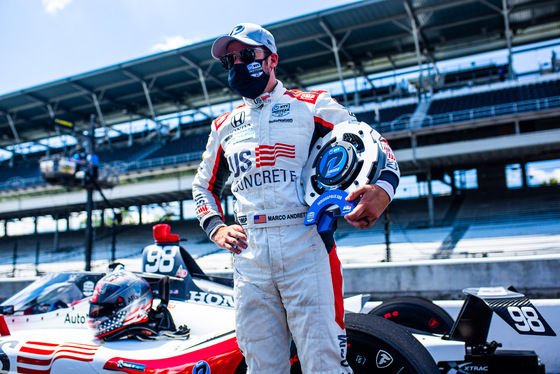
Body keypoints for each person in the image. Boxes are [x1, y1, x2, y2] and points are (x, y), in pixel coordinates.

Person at [192, 23, 400, 373]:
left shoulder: (311, 105)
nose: (238, 64)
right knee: (262, 366)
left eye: (246, 55)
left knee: (324, 362)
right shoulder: (223, 126)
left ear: (271, 59)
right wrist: (215, 228)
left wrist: (384, 189)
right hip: (249, 253)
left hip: (306, 244)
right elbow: (202, 188)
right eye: (230, 61)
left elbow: (371, 141)